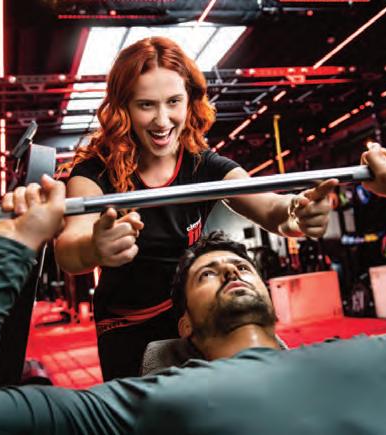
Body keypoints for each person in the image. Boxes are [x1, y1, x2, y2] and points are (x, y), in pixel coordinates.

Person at [0, 145, 386, 434]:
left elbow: (274, 207)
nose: (229, 271)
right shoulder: (144, 406)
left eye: (241, 267)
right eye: (207, 274)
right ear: (185, 326)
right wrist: (15, 246)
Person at [54, 36, 336, 379]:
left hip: (196, 317)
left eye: (173, 101)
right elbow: (68, 250)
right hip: (128, 326)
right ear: (123, 108)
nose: (162, 120)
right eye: (146, 105)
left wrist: (298, 213)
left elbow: (271, 208)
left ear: (189, 100)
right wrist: (93, 247)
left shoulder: (202, 165)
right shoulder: (93, 172)